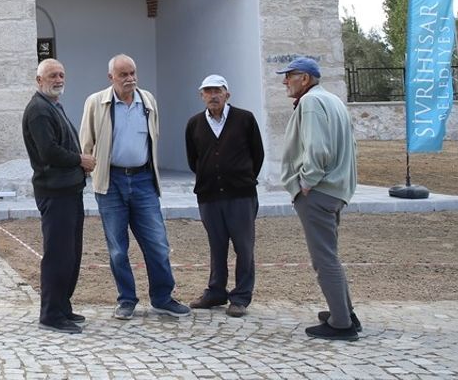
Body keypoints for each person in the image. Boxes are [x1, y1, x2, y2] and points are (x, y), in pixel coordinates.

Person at [79, 54, 191, 320]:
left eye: (132, 73)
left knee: (157, 243)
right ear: (111, 78)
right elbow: (87, 142)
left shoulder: (148, 101)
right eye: (123, 75)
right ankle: (126, 299)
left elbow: (155, 135)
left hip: (143, 181)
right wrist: (90, 175)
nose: (130, 79)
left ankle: (162, 298)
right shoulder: (97, 102)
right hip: (111, 182)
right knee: (118, 248)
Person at [276, 56, 361, 341]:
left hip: (319, 192)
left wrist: (306, 183)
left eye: (290, 75)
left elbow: (318, 149)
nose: (285, 81)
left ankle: (341, 324)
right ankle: (345, 312)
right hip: (335, 190)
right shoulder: (332, 100)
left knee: (323, 259)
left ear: (306, 78)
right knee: (330, 256)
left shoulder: (311, 103)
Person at [22, 59, 96, 334]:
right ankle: (51, 314)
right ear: (39, 80)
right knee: (58, 255)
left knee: (71, 254)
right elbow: (48, 152)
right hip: (55, 192)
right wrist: (80, 160)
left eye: (62, 74)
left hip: (69, 189)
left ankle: (63, 306)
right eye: (52, 75)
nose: (58, 79)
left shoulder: (53, 105)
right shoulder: (39, 110)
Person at [184, 74, 264, 318]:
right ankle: (216, 291)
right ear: (201, 96)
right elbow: (193, 160)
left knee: (244, 247)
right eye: (207, 91)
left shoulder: (245, 119)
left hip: (240, 194)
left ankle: (240, 296)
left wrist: (241, 177)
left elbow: (257, 154)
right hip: (209, 196)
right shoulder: (194, 124)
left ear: (227, 94)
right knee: (216, 246)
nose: (213, 95)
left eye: (217, 90)